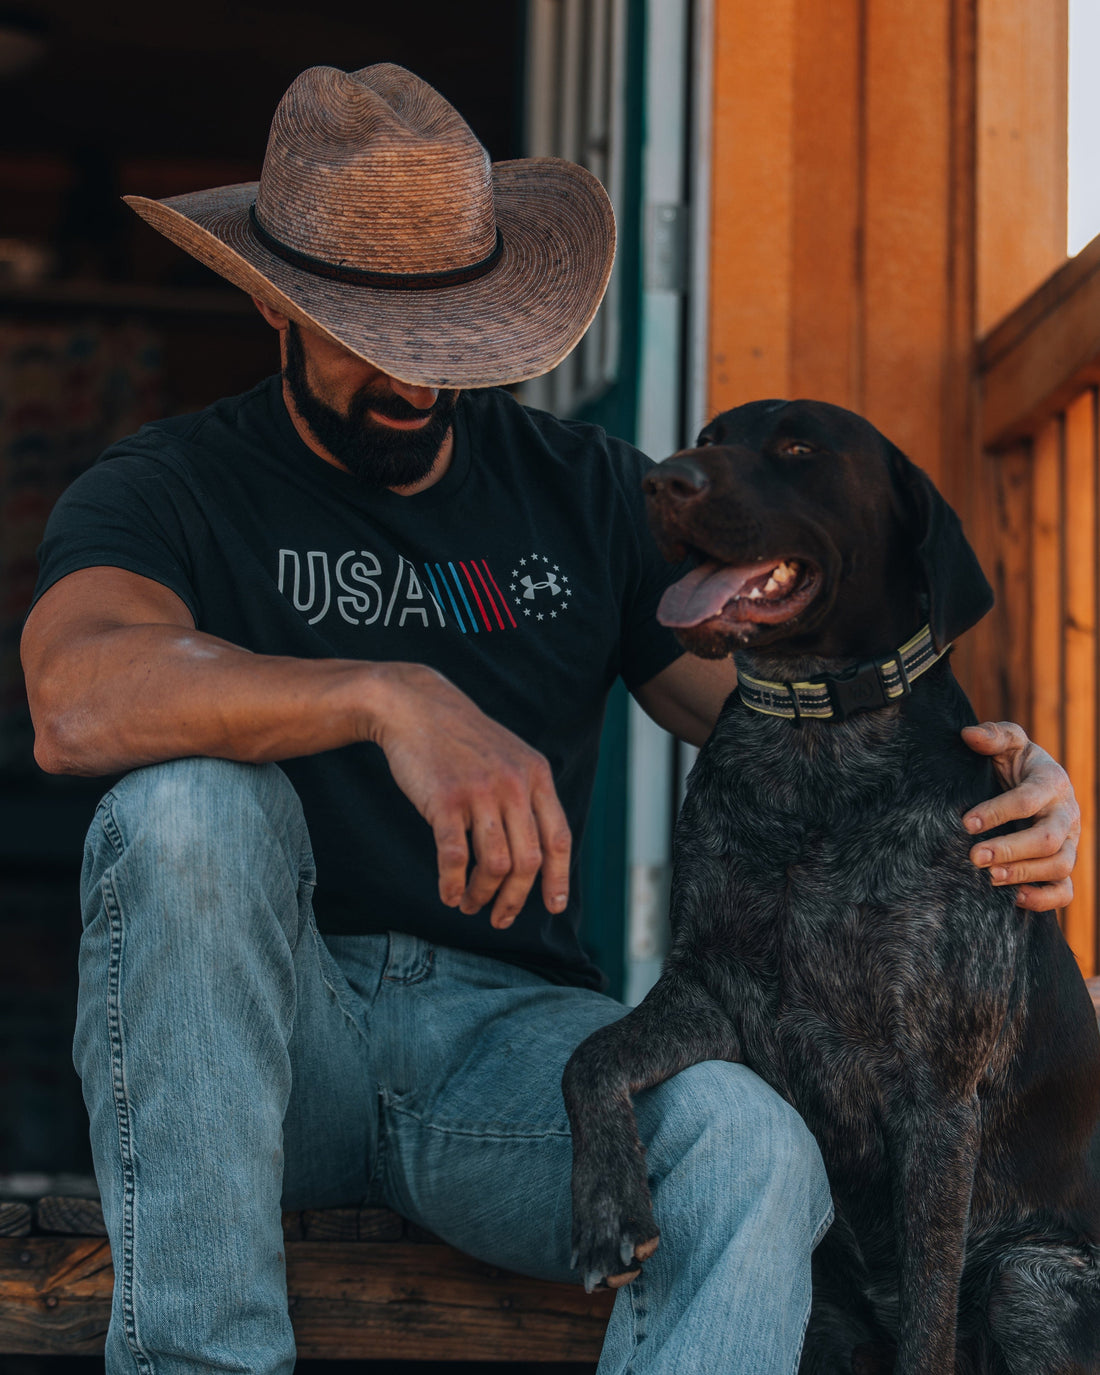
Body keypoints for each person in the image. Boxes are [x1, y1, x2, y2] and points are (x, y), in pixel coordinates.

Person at [20, 64, 1078, 1375]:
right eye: (363, 329)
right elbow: (76, 698)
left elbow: (806, 713)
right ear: (271, 301)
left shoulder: (582, 491)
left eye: (442, 326)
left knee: (751, 1146)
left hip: (507, 1055)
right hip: (268, 1047)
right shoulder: (172, 482)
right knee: (186, 806)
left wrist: (1006, 786)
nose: (413, 373)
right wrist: (386, 693)